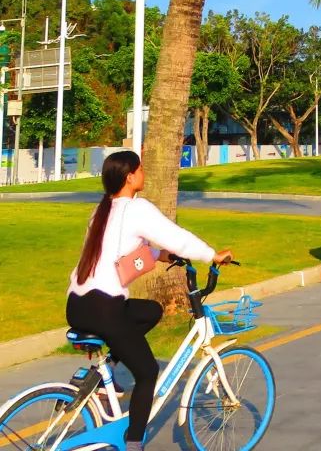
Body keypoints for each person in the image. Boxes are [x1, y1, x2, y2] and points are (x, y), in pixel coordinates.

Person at [67, 150, 232, 451]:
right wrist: (213, 255)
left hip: (78, 306)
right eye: (140, 169)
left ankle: (103, 373)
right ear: (130, 176)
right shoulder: (136, 208)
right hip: (105, 308)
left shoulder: (102, 210)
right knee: (147, 372)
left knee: (150, 310)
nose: (144, 173)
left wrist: (161, 255)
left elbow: (125, 254)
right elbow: (176, 236)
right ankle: (133, 443)